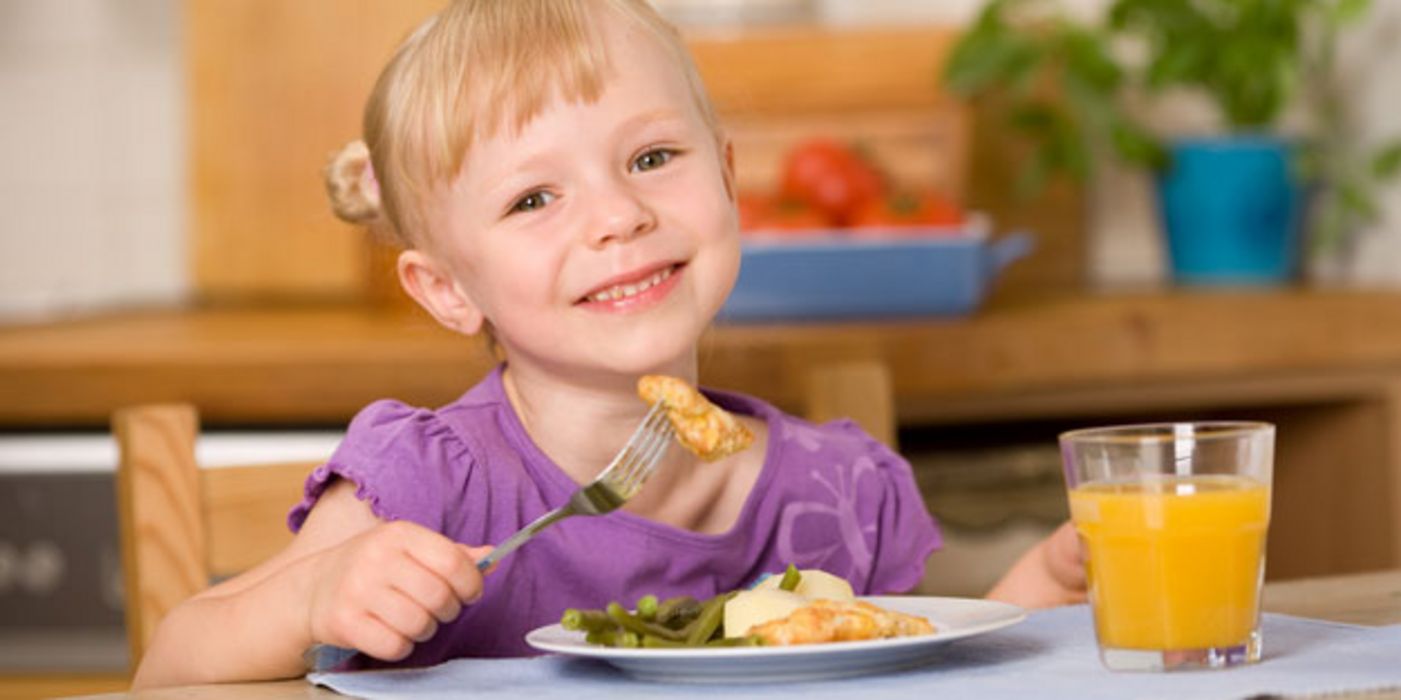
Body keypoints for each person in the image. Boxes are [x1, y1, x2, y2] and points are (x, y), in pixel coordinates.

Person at [131, 0, 1085, 688]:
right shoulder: (426, 488)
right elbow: (167, 668)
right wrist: (313, 604)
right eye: (533, 198)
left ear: (723, 177)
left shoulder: (841, 490)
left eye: (651, 159)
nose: (619, 216)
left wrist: (1041, 584)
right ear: (447, 289)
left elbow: (930, 669)